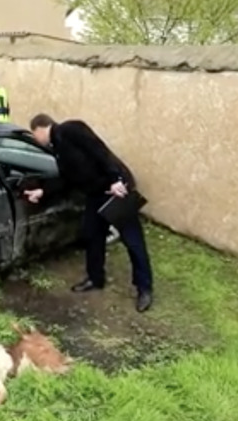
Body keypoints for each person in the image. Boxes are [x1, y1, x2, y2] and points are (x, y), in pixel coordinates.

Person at [24, 114, 153, 313]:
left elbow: (100, 151)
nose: (36, 139)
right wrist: (43, 191)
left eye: (35, 135)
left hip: (115, 191)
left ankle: (144, 288)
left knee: (132, 240)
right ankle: (95, 278)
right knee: (92, 235)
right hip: (95, 195)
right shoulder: (57, 148)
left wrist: (115, 179)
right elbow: (67, 179)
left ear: (41, 128)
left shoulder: (71, 129)